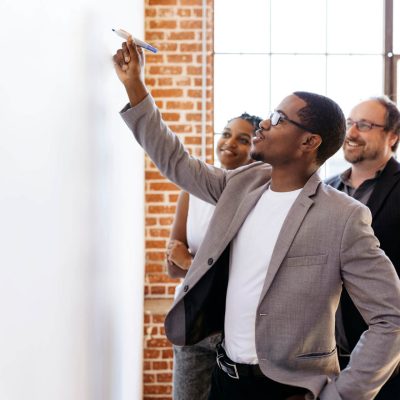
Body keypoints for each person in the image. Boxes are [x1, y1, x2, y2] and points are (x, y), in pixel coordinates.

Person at [113, 38, 400, 400]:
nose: (264, 122)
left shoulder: (344, 216)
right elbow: (177, 161)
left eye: (279, 119)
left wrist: (342, 394)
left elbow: (391, 318)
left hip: (290, 389)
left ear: (308, 142)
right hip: (225, 379)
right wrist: (135, 86)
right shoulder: (240, 185)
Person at [167, 113, 262, 400]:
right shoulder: (192, 191)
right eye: (226, 133)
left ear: (257, 149)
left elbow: (244, 272)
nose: (229, 143)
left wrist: (189, 262)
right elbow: (171, 265)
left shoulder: (259, 198)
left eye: (243, 139)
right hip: (192, 320)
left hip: (236, 328)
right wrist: (183, 263)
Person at [325, 96, 400, 399]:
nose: (352, 132)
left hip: (386, 359)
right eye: (349, 123)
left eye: (365, 125)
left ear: (393, 136)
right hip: (326, 354)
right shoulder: (326, 189)